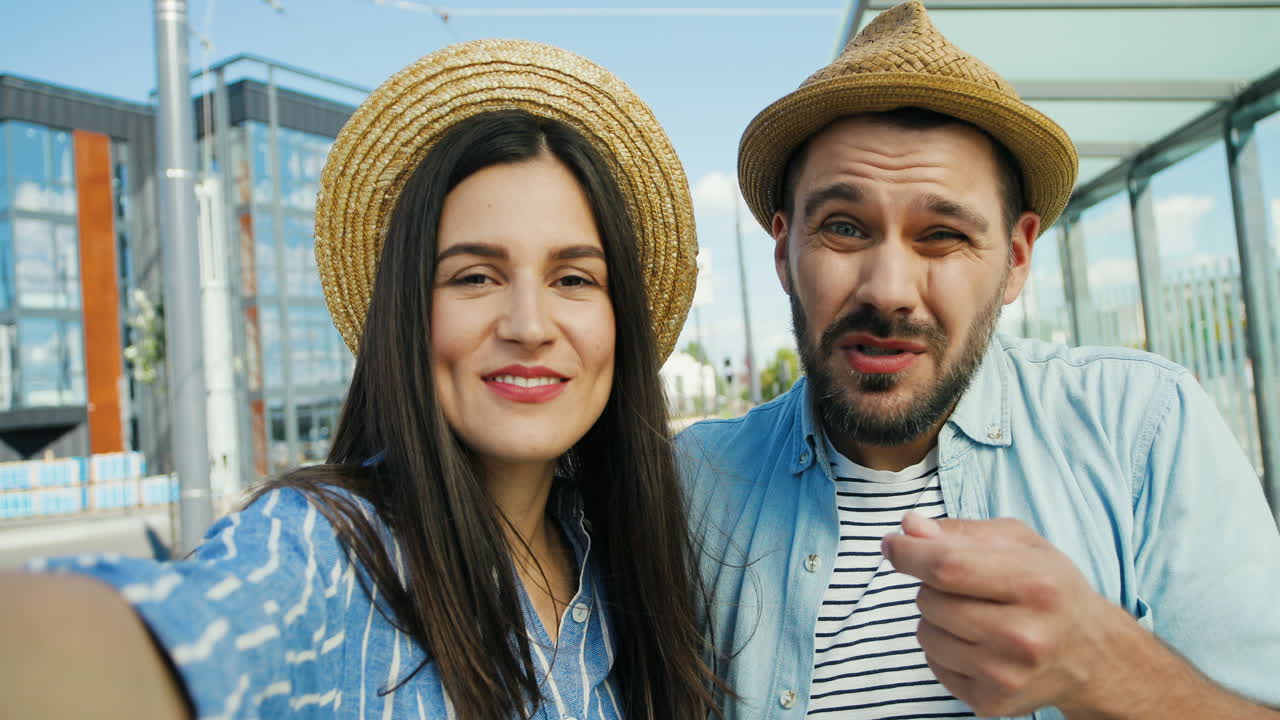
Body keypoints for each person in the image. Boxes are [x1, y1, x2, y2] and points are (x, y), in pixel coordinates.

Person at [0, 39, 723, 719]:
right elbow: (174, 629)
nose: (529, 324)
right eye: (474, 276)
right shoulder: (329, 551)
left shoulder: (627, 556)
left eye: (572, 277)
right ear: (408, 313)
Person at [679, 2, 1280, 718]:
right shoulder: (694, 488)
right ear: (785, 251)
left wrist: (1105, 667)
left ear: (1017, 258)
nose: (889, 290)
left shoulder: (1143, 431)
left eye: (942, 235)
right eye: (844, 227)